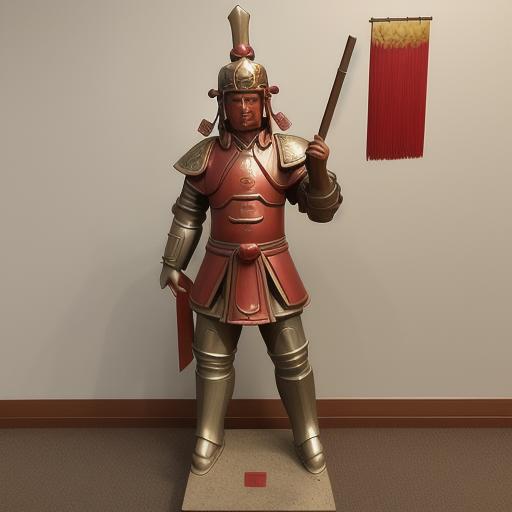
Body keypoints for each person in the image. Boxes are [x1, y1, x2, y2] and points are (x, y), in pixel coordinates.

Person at [160, 5, 342, 476]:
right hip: (218, 269)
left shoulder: (289, 151)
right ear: (221, 104)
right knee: (211, 358)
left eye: (251, 99)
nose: (244, 108)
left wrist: (319, 170)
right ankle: (208, 434)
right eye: (235, 100)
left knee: (293, 356)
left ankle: (307, 433)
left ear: (265, 101)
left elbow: (321, 210)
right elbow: (188, 214)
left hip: (273, 268)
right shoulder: (204, 156)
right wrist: (173, 262)